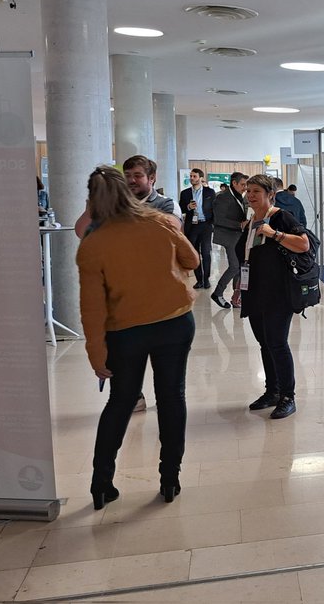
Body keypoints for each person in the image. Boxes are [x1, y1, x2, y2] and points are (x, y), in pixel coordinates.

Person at [76, 166, 198, 510]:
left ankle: (102, 484)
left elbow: (92, 309)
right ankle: (170, 479)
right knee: (172, 397)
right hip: (174, 323)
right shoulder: (159, 223)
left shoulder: (92, 244)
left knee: (121, 402)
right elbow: (192, 258)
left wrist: (96, 355)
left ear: (92, 199)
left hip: (124, 333)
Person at [235, 173, 311, 420]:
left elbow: (303, 244)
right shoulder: (251, 221)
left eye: (256, 191)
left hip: (278, 292)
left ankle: (288, 396)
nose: (250, 195)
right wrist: (239, 287)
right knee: (264, 343)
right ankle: (272, 391)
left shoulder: (280, 217)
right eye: (248, 190)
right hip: (254, 291)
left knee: (277, 343)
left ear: (270, 194)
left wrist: (274, 234)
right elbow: (247, 257)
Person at [74, 155, 178, 239]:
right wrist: (94, 205)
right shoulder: (115, 203)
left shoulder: (166, 204)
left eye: (138, 176)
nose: (131, 180)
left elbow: (171, 232)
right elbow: (82, 232)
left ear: (151, 178)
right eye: (127, 175)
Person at [210, 172, 249, 309]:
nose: (245, 188)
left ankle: (236, 296)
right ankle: (218, 293)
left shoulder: (240, 197)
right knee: (235, 266)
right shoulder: (223, 197)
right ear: (234, 183)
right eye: (243, 185)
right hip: (229, 236)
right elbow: (218, 219)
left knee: (239, 267)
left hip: (238, 236)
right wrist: (239, 225)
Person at [179, 168, 216, 288]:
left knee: (206, 252)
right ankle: (199, 279)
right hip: (192, 225)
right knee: (194, 252)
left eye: (194, 176)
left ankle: (206, 279)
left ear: (200, 178)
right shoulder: (185, 193)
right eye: (190, 176)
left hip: (205, 224)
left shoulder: (209, 192)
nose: (191, 178)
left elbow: (214, 208)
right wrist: (188, 207)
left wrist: (213, 224)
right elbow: (181, 209)